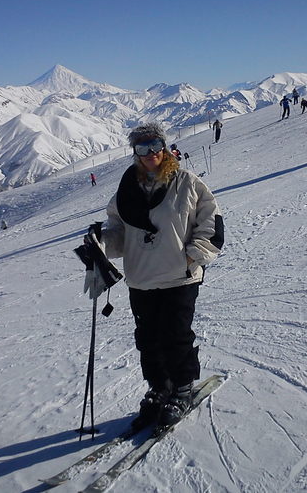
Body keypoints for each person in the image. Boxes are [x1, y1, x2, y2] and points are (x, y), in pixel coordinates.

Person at [95, 123, 224, 428]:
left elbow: (212, 221)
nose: (150, 153)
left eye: (155, 145)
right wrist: (100, 242)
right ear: (134, 153)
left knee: (176, 336)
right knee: (148, 339)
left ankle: (182, 388)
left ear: (164, 147)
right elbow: (118, 232)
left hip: (179, 277)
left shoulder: (187, 182)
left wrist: (193, 255)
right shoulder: (127, 190)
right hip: (141, 278)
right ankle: (159, 387)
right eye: (142, 148)